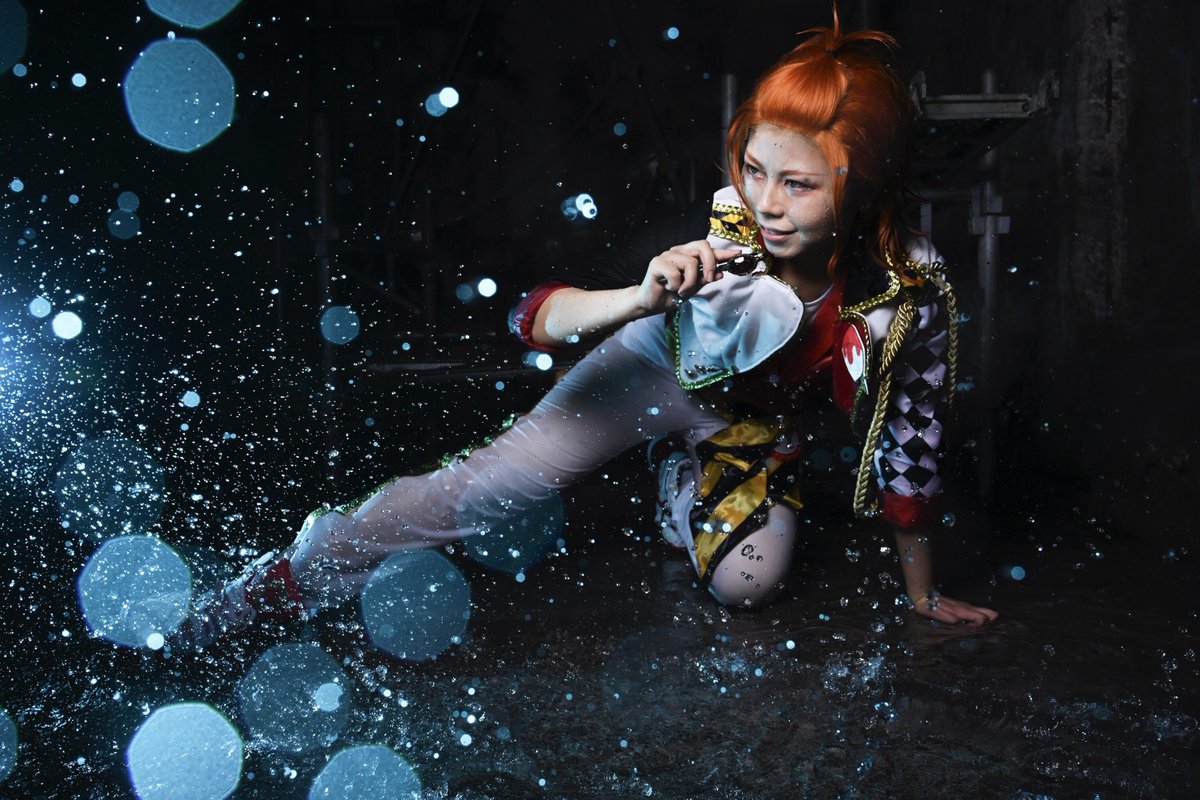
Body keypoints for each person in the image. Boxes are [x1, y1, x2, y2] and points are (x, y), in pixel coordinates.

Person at [174, 11, 997, 650]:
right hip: (651, 369)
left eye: (799, 184)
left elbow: (912, 436)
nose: (768, 203)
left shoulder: (908, 285)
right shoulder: (724, 233)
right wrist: (640, 297)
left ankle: (681, 478)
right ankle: (283, 578)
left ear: (865, 187)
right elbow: (534, 315)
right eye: (754, 169)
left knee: (748, 586)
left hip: (751, 428)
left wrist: (921, 592)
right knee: (483, 491)